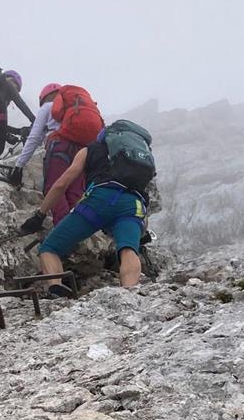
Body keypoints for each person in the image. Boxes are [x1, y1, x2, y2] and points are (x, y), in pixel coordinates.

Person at [19, 120, 156, 294]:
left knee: (50, 248)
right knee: (129, 249)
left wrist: (40, 215)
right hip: (132, 205)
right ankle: (129, 293)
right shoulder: (141, 158)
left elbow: (62, 183)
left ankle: (56, 289)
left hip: (98, 201)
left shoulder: (90, 149)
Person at [9, 84, 103, 226]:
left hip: (60, 148)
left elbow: (35, 137)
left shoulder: (47, 107)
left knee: (54, 189)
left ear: (45, 98)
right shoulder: (76, 110)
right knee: (74, 195)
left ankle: (62, 233)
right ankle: (71, 234)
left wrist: (19, 166)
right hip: (84, 151)